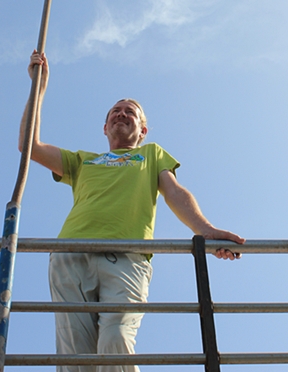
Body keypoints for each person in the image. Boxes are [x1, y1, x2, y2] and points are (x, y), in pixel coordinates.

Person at [19, 50, 245, 372]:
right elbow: (30, 145)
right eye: (115, 111)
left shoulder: (151, 155)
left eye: (131, 112)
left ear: (142, 131)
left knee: (116, 342)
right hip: (71, 255)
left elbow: (175, 193)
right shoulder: (83, 161)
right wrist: (37, 88)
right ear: (105, 126)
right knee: (74, 360)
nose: (122, 114)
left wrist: (205, 230)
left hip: (127, 258)